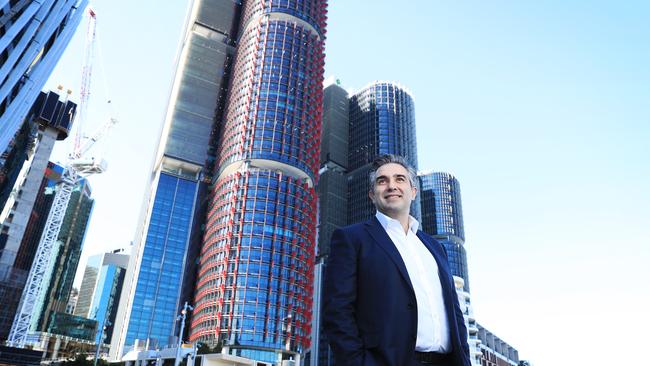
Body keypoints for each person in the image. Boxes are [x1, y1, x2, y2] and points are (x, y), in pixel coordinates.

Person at [323, 154, 471, 366]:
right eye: (382, 181)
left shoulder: (435, 248)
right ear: (372, 195)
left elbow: (455, 315)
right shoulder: (352, 239)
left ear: (413, 192)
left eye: (400, 179)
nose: (391, 186)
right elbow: (337, 313)